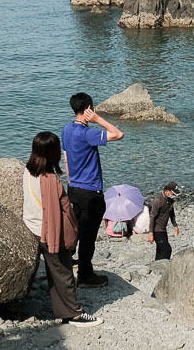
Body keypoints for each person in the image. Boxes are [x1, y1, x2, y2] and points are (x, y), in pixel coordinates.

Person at [21, 131, 103, 327]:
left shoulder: (28, 170)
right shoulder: (50, 180)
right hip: (48, 232)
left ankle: (61, 308)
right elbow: (56, 213)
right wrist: (65, 238)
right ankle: (74, 314)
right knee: (64, 274)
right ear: (53, 153)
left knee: (55, 273)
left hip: (31, 225)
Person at [61, 92, 124, 288]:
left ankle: (64, 263)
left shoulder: (67, 130)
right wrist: (98, 119)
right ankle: (86, 276)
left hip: (74, 188)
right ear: (89, 108)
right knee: (88, 236)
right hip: (91, 192)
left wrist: (71, 182)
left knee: (75, 228)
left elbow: (65, 158)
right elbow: (118, 134)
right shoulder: (87, 134)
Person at [147, 181, 181, 260]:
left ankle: (157, 265)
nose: (174, 196)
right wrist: (151, 233)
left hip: (163, 229)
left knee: (160, 249)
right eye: (173, 193)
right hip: (157, 230)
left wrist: (175, 225)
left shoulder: (170, 200)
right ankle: (164, 266)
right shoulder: (158, 201)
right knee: (167, 250)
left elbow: (171, 212)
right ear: (167, 191)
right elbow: (152, 217)